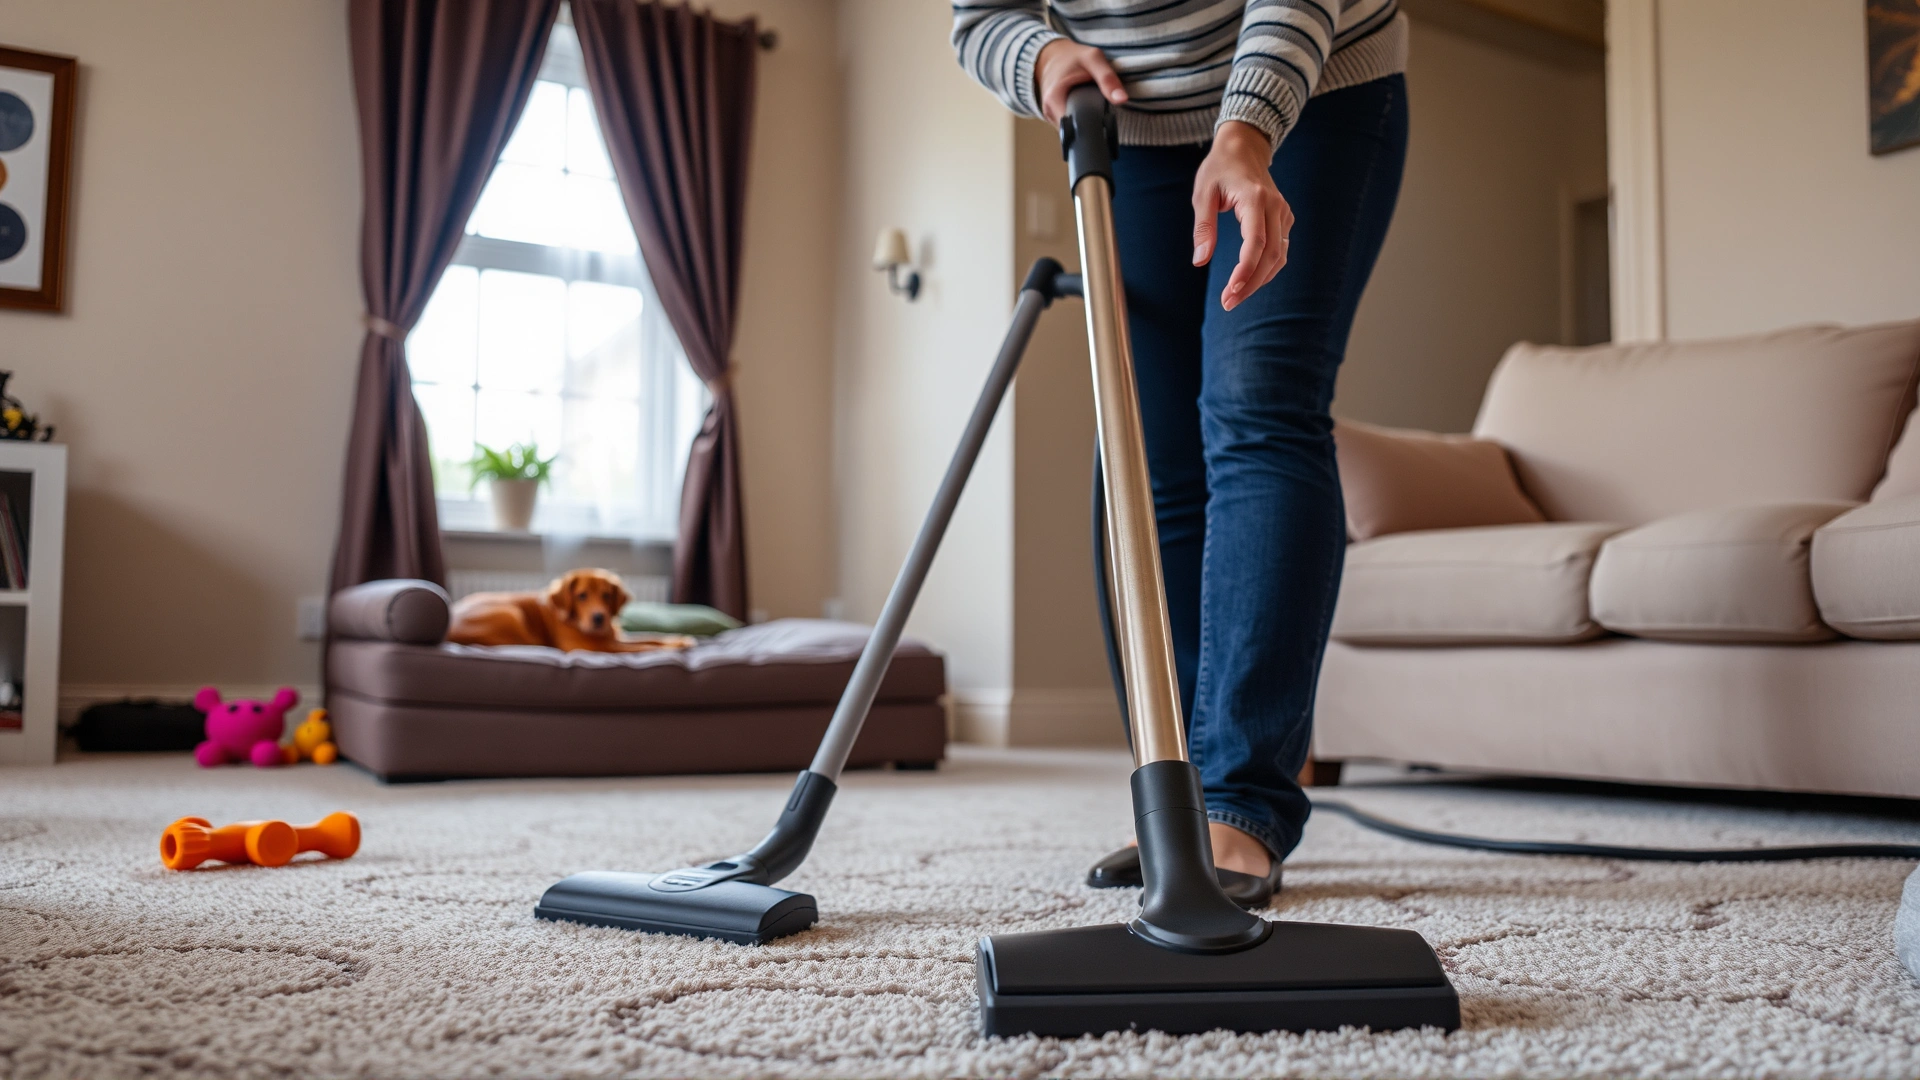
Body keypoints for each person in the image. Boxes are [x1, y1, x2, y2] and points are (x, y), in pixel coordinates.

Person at [953, 1, 1410, 907]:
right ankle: (1176, 793)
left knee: (1258, 405)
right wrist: (1040, 56)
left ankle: (1242, 800)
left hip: (1313, 86)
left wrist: (1248, 123)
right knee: (1150, 447)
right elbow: (978, 19)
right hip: (1133, 123)